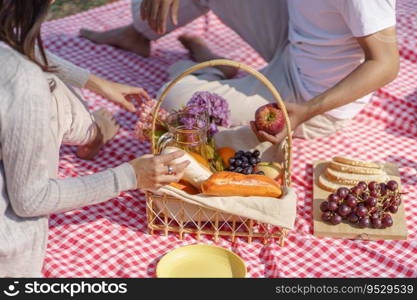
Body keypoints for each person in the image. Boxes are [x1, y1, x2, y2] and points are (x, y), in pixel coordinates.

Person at [0, 0, 189, 277]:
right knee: (49, 89)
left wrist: (96, 82)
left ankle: (93, 131)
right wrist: (131, 176)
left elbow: (21, 48)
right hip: (10, 260)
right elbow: (31, 199)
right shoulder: (24, 82)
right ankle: (94, 131)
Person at [81, 0, 400, 146]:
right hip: (292, 45)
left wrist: (308, 111)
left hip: (308, 98)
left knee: (175, 96)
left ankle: (211, 70)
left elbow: (385, 64)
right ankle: (136, 34)